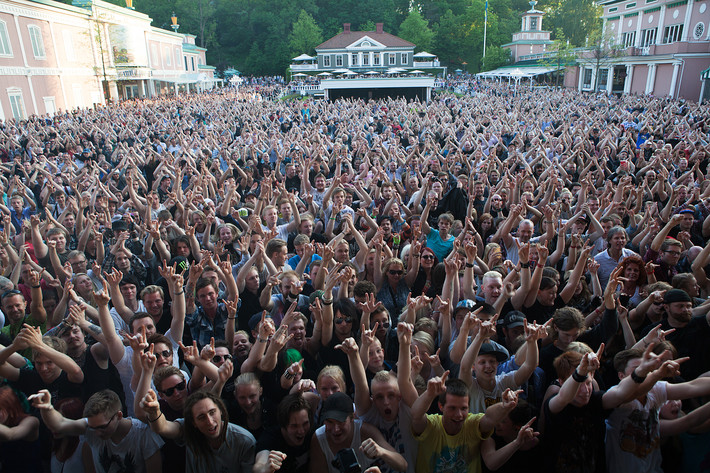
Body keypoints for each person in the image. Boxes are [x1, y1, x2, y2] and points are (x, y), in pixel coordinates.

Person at [410, 373, 521, 473]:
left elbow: (489, 418)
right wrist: (429, 394)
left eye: (463, 408)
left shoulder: (472, 424)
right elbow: (416, 415)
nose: (459, 414)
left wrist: (504, 406)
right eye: (452, 408)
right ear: (440, 406)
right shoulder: (431, 425)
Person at [32, 388, 163, 473]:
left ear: (118, 416)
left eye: (102, 427)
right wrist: (47, 408)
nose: (97, 433)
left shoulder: (143, 434)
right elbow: (59, 425)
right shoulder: (91, 427)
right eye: (93, 427)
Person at [141, 389, 256, 473]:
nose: (210, 422)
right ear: (193, 422)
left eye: (212, 412)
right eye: (201, 417)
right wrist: (154, 412)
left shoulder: (244, 441)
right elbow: (163, 427)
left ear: (221, 410)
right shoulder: (189, 431)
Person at [309, 391, 408, 473]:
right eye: (329, 422)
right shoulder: (319, 438)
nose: (336, 429)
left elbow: (403, 465)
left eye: (341, 422)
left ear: (352, 418)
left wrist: (381, 452)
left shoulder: (366, 431)